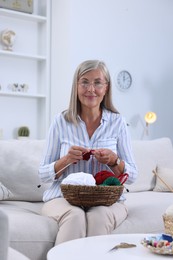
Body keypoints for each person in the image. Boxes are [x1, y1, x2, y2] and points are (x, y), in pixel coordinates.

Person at [38, 59, 138, 245]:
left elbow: (132, 176)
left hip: (107, 201)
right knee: (75, 216)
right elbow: (43, 174)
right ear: (76, 86)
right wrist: (66, 159)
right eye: (84, 82)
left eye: (97, 82)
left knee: (98, 217)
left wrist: (114, 161)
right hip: (63, 198)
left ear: (106, 88)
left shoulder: (118, 123)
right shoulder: (60, 122)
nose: (91, 89)